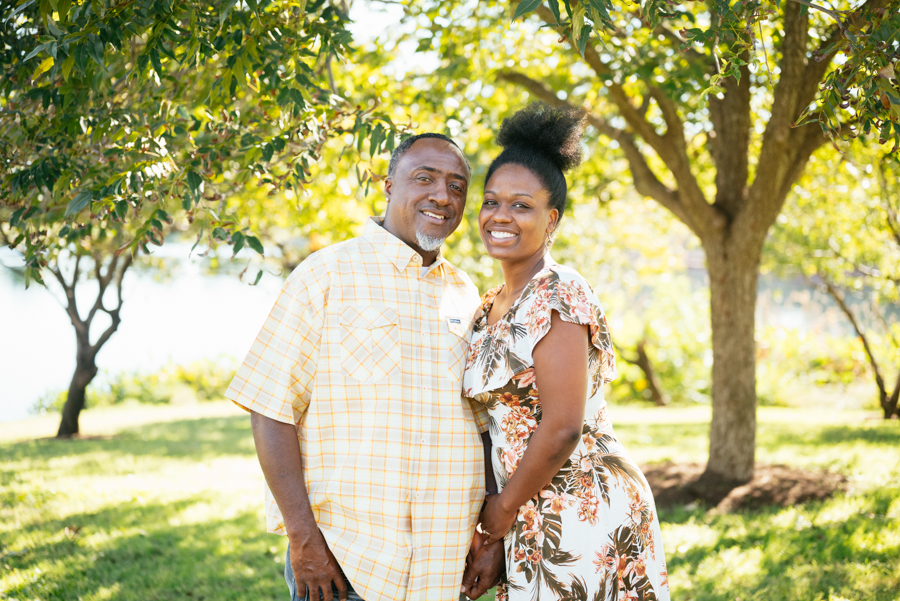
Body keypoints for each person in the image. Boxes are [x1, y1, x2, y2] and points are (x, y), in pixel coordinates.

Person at [225, 133, 504, 601]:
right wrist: (304, 539)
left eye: (457, 186)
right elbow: (270, 407)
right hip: (345, 561)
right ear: (389, 184)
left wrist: (490, 537)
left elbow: (483, 426)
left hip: (445, 563)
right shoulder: (326, 274)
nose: (442, 195)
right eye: (425, 178)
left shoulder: (465, 294)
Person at [461, 103, 670, 601]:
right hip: (525, 505)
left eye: (521, 205)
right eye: (491, 202)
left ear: (551, 218)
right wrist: (500, 514)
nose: (500, 216)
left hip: (580, 503)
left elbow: (562, 427)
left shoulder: (559, 292)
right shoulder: (487, 307)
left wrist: (499, 513)